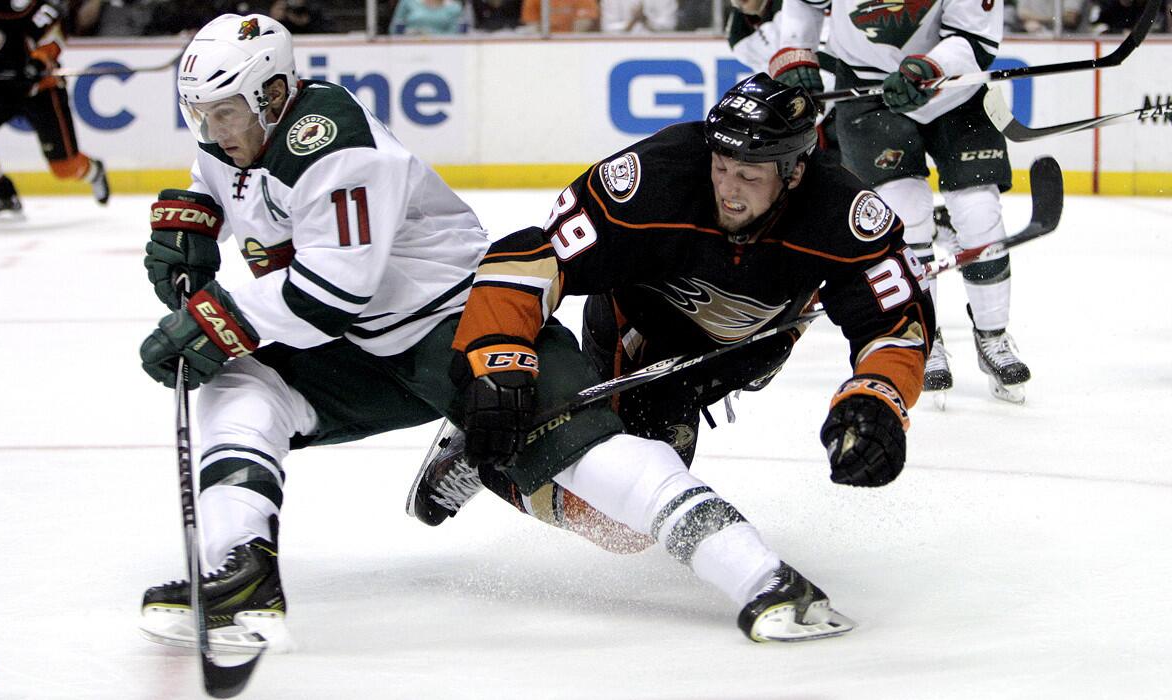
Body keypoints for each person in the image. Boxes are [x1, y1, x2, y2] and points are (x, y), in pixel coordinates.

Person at [136, 16, 852, 650]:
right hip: (361, 346)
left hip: (461, 328)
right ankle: (241, 576)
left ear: (271, 96)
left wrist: (216, 317)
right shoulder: (240, 140)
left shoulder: (332, 142)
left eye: (225, 114)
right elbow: (225, 180)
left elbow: (333, 288)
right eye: (200, 116)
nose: (214, 132)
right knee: (239, 387)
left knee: (602, 479)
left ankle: (765, 577)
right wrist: (193, 212)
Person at [408, 75, 934, 629]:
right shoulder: (652, 179)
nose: (729, 189)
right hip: (635, 336)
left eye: (750, 176)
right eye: (722, 166)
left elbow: (896, 327)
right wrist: (498, 357)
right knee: (625, 519)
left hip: (722, 364)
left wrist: (878, 399)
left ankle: (492, 458)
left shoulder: (843, 215)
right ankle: (486, 461)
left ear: (795, 171)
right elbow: (534, 259)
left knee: (627, 525)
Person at [767, 0, 1032, 403]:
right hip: (870, 94)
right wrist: (797, 49)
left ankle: (993, 335)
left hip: (955, 91)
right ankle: (929, 335)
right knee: (906, 215)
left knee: (979, 212)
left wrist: (931, 66)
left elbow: (974, 38)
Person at [0, 0, 109, 216]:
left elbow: (55, 24)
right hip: (2, 86)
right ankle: (5, 196)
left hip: (42, 88)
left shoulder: (14, 5)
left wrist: (39, 61)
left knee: (65, 168)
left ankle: (94, 171)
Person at [390, 0, 465, 35]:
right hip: (407, 47)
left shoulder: (454, 7)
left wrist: (427, 34)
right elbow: (394, 29)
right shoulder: (407, 2)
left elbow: (455, 34)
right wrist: (408, 32)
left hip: (442, 49)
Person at [599, 0, 677, 33]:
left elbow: (670, 25)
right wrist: (630, 24)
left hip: (658, 46)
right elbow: (607, 28)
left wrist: (646, 21)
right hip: (621, 47)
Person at [520, 0, 598, 32]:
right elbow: (532, 24)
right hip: (545, 43)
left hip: (574, 43)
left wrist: (570, 43)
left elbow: (584, 22)